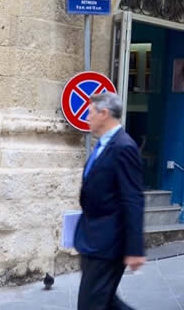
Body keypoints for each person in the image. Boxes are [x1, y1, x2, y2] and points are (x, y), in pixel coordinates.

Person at [74, 93, 146, 310]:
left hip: (108, 242)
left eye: (90, 112)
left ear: (104, 114)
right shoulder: (103, 144)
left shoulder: (124, 146)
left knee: (91, 304)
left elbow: (133, 199)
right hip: (93, 238)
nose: (86, 117)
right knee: (105, 302)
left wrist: (134, 248)